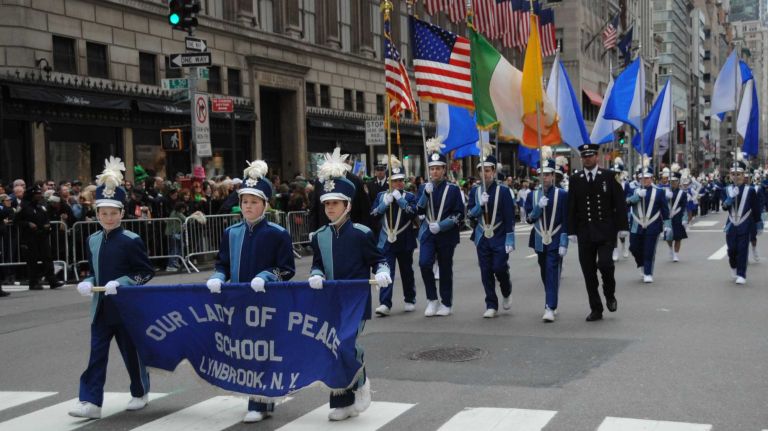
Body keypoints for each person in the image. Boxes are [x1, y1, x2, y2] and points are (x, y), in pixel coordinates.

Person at [205, 160, 295, 423]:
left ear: (265, 205)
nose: (248, 206)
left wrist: (266, 276)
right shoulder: (231, 233)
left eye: (254, 202)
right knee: (245, 350)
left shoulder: (278, 234)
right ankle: (261, 400)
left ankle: (258, 402)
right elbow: (222, 263)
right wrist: (218, 276)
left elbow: (286, 269)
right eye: (244, 201)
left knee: (263, 350)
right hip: (239, 300)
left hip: (268, 300)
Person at [308, 147, 390, 421]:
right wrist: (316, 274)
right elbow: (317, 263)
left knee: (345, 343)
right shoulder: (319, 236)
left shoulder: (362, 234)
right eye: (327, 204)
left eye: (336, 203)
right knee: (333, 347)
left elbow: (379, 259)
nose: (330, 208)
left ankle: (361, 381)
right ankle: (342, 402)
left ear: (348, 205)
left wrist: (382, 271)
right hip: (330, 300)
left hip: (356, 300)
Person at [70, 157, 154, 419]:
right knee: (96, 355)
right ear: (96, 214)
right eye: (103, 213)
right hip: (101, 308)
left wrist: (124, 283)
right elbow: (94, 271)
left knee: (131, 353)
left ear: (121, 213)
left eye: (113, 212)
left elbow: (145, 272)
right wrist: (86, 281)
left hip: (126, 308)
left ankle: (140, 392)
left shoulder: (131, 240)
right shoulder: (93, 239)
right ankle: (91, 401)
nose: (108, 217)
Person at [566, 144, 629, 322]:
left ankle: (609, 294)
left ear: (597, 157)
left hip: (605, 232)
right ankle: (596, 308)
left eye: (590, 155)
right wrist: (570, 230)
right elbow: (571, 207)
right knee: (588, 273)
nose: (587, 159)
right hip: (585, 232)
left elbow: (620, 203)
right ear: (581, 159)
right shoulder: (575, 179)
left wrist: (623, 226)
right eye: (584, 156)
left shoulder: (609, 176)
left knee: (606, 265)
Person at [416, 137, 465, 317]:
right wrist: (424, 195)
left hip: (446, 234)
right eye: (432, 168)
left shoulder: (452, 189)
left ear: (444, 170)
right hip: (428, 232)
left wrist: (443, 225)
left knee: (445, 268)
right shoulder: (423, 187)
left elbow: (460, 214)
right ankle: (432, 299)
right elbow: (418, 209)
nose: (434, 171)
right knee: (424, 263)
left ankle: (446, 302)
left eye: (438, 168)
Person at [467, 147, 515, 318]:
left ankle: (506, 289)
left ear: (494, 171)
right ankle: (491, 304)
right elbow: (469, 215)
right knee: (486, 271)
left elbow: (510, 217)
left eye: (487, 170)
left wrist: (510, 240)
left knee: (499, 267)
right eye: (482, 171)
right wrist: (479, 205)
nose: (484, 174)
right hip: (482, 237)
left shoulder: (503, 191)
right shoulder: (474, 191)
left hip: (500, 235)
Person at [370, 157, 418, 316]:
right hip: (386, 241)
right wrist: (385, 204)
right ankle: (385, 303)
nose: (399, 184)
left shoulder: (409, 196)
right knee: (385, 272)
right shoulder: (381, 196)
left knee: (407, 271)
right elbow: (373, 214)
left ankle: (410, 299)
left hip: (404, 240)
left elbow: (413, 214)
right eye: (395, 181)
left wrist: (401, 201)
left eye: (401, 180)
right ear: (389, 182)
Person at [525, 153, 569, 322]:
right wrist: (537, 207)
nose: (545, 177)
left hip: (556, 237)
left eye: (548, 174)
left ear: (553, 176)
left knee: (551, 269)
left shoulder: (562, 194)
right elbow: (529, 219)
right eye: (542, 174)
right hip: (538, 238)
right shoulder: (532, 195)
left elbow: (566, 219)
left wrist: (564, 241)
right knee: (544, 271)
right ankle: (552, 299)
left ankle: (549, 306)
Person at [626, 162, 671, 283]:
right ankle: (641, 264)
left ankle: (648, 272)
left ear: (651, 178)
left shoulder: (659, 191)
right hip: (636, 225)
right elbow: (626, 202)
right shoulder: (633, 190)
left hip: (653, 225)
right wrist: (636, 197)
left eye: (647, 178)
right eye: (642, 178)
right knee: (634, 248)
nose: (645, 180)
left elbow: (665, 209)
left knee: (649, 249)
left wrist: (667, 225)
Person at [722, 156, 763, 284]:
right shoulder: (726, 189)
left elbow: (756, 208)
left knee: (742, 249)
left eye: (738, 174)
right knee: (731, 250)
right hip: (731, 224)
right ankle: (733, 266)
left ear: (743, 175)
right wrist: (729, 198)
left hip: (745, 224)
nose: (735, 177)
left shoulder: (750, 190)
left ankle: (741, 274)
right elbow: (724, 207)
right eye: (733, 174)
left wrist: (758, 223)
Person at [14, 184, 63, 290]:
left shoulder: (40, 206)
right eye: (37, 194)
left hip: (42, 235)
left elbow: (46, 217)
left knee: (47, 258)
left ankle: (52, 280)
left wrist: (47, 224)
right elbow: (16, 221)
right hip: (30, 237)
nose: (40, 195)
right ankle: (34, 282)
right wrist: (27, 223)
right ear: (32, 195)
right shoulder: (23, 206)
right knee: (32, 260)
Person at [665, 164, 688, 262]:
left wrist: (684, 218)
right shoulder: (665, 191)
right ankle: (670, 249)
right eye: (671, 181)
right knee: (668, 236)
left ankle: (676, 254)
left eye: (674, 181)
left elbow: (684, 207)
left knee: (678, 237)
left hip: (677, 216)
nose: (672, 183)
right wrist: (666, 197)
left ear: (678, 182)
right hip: (667, 216)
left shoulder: (682, 193)